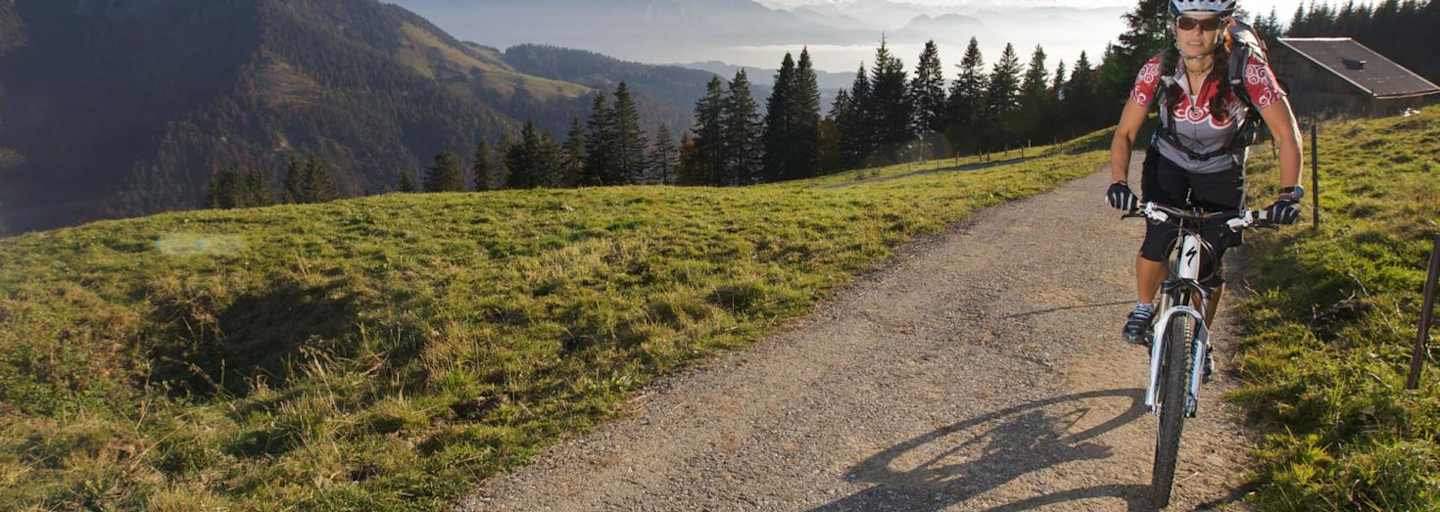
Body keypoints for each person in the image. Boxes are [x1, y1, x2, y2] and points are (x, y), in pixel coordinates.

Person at [1106, 0, 1305, 344]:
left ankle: (1200, 340)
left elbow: (1287, 134)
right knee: (1158, 234)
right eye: (1187, 23)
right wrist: (1119, 182)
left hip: (1222, 167)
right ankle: (1142, 307)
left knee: (1211, 264)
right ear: (1174, 26)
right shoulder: (1158, 68)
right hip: (1169, 161)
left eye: (1208, 23)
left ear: (1223, 26)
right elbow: (1124, 132)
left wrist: (1289, 193)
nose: (1196, 33)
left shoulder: (1248, 69)